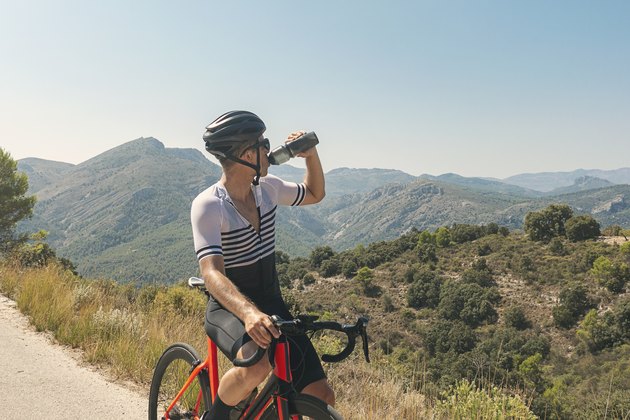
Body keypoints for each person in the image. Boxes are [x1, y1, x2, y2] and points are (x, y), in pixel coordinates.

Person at [191, 110, 332, 419]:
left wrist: (311, 156)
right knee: (257, 367)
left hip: (271, 305)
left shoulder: (267, 189)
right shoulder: (209, 205)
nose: (269, 148)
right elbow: (211, 272)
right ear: (245, 154)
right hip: (230, 308)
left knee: (321, 395)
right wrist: (249, 312)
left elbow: (314, 193)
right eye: (262, 143)